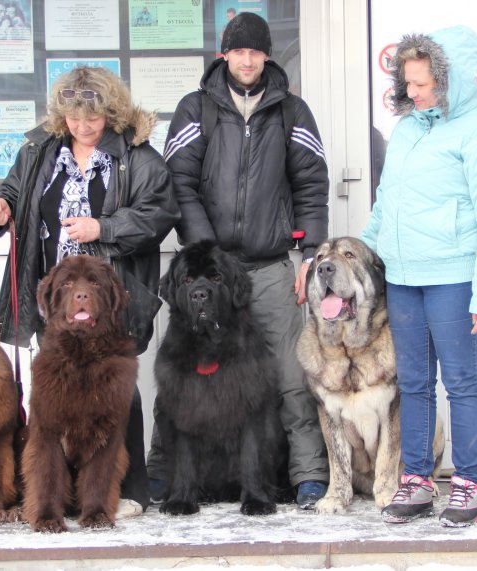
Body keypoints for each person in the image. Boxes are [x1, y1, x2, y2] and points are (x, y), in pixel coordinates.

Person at [150, 12, 330, 509]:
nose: (247, 59)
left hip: (272, 267)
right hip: (210, 269)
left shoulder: (292, 111)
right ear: (223, 55)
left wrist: (311, 252)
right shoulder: (196, 109)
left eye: (256, 51)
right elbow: (177, 183)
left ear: (266, 55)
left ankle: (308, 475)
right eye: (238, 50)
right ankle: (165, 478)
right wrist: (207, 254)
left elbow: (312, 185)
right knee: (181, 377)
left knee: (291, 377)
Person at [0, 66, 180, 514]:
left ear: (111, 114)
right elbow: (16, 190)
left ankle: (129, 490)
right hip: (55, 296)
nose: (83, 125)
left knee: (117, 390)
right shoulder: (40, 151)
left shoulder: (138, 157)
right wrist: (2, 205)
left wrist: (103, 226)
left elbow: (160, 214)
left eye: (92, 118)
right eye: (73, 117)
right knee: (57, 396)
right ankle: (60, 492)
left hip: (112, 295)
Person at [361, 26, 477, 527]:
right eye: (407, 82)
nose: (413, 92)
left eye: (424, 83)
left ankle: (470, 483)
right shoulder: (407, 129)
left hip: (454, 277)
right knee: (413, 382)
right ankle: (417, 480)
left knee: (462, 381)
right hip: (405, 277)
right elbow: (387, 205)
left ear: (450, 80)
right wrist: (365, 256)